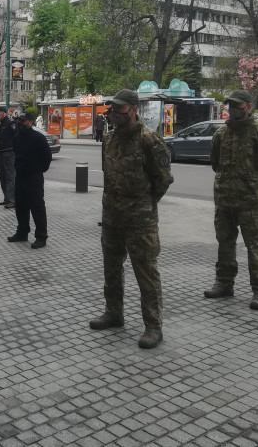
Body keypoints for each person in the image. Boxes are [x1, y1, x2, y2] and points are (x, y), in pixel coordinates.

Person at [89, 89, 174, 349]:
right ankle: (114, 313)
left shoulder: (150, 140)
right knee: (111, 269)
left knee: (146, 273)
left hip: (140, 221)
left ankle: (153, 326)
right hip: (112, 216)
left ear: (134, 110)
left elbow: (163, 180)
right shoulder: (109, 139)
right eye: (112, 110)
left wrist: (144, 205)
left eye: (120, 110)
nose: (114, 114)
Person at [204, 89, 258, 310]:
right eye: (229, 106)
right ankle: (224, 283)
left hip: (251, 203)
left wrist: (257, 184)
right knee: (225, 243)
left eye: (237, 106)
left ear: (248, 107)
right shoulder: (221, 134)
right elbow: (215, 163)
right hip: (224, 201)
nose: (232, 110)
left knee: (255, 247)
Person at [7, 112, 52, 249]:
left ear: (30, 122)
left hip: (34, 177)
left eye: (24, 121)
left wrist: (39, 170)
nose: (21, 123)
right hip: (20, 175)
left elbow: (47, 157)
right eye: (20, 120)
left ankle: (41, 237)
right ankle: (22, 232)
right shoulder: (17, 138)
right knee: (21, 207)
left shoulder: (38, 138)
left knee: (37, 207)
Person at [0, 106, 16, 209]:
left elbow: (16, 136)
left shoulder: (10, 122)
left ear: (3, 112)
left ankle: (13, 200)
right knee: (3, 177)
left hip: (9, 152)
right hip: (2, 152)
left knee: (10, 177)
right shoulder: (2, 123)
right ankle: (7, 198)